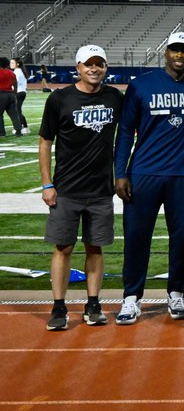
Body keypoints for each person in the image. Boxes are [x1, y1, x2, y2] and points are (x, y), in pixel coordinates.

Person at [114, 32, 184, 324]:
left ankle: (177, 294)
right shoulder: (141, 85)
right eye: (175, 50)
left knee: (181, 238)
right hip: (144, 173)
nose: (179, 56)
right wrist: (120, 173)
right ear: (166, 52)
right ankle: (131, 298)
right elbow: (126, 130)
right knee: (136, 238)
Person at [39, 45, 123, 331]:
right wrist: (47, 183)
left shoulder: (114, 97)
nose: (94, 69)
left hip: (101, 190)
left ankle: (93, 304)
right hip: (66, 190)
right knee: (63, 248)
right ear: (77, 67)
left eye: (99, 64)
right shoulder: (60, 98)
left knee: (95, 248)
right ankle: (59, 307)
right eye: (89, 64)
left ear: (105, 68)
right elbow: (45, 142)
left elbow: (129, 130)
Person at [0, 57, 19, 137]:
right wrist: (15, 94)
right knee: (14, 114)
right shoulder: (12, 73)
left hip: (1, 94)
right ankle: (18, 131)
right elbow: (15, 84)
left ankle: (1, 133)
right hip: (11, 94)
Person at [10, 59, 29, 135]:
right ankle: (25, 127)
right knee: (18, 110)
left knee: (17, 111)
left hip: (18, 92)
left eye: (12, 63)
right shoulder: (21, 71)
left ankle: (21, 127)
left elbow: (15, 82)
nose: (10, 64)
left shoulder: (17, 71)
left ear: (17, 64)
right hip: (22, 92)